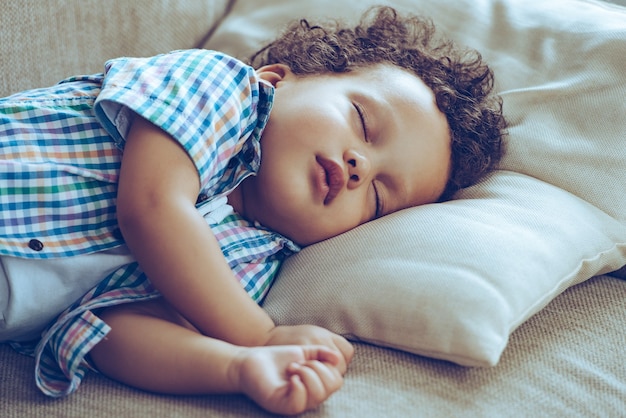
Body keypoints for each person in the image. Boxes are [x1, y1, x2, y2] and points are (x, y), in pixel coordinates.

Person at [0, 6, 506, 415]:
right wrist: (258, 335)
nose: (359, 165)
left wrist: (237, 367)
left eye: (377, 195)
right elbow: (153, 207)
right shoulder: (220, 88)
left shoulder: (249, 265)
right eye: (362, 122)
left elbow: (110, 330)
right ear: (278, 79)